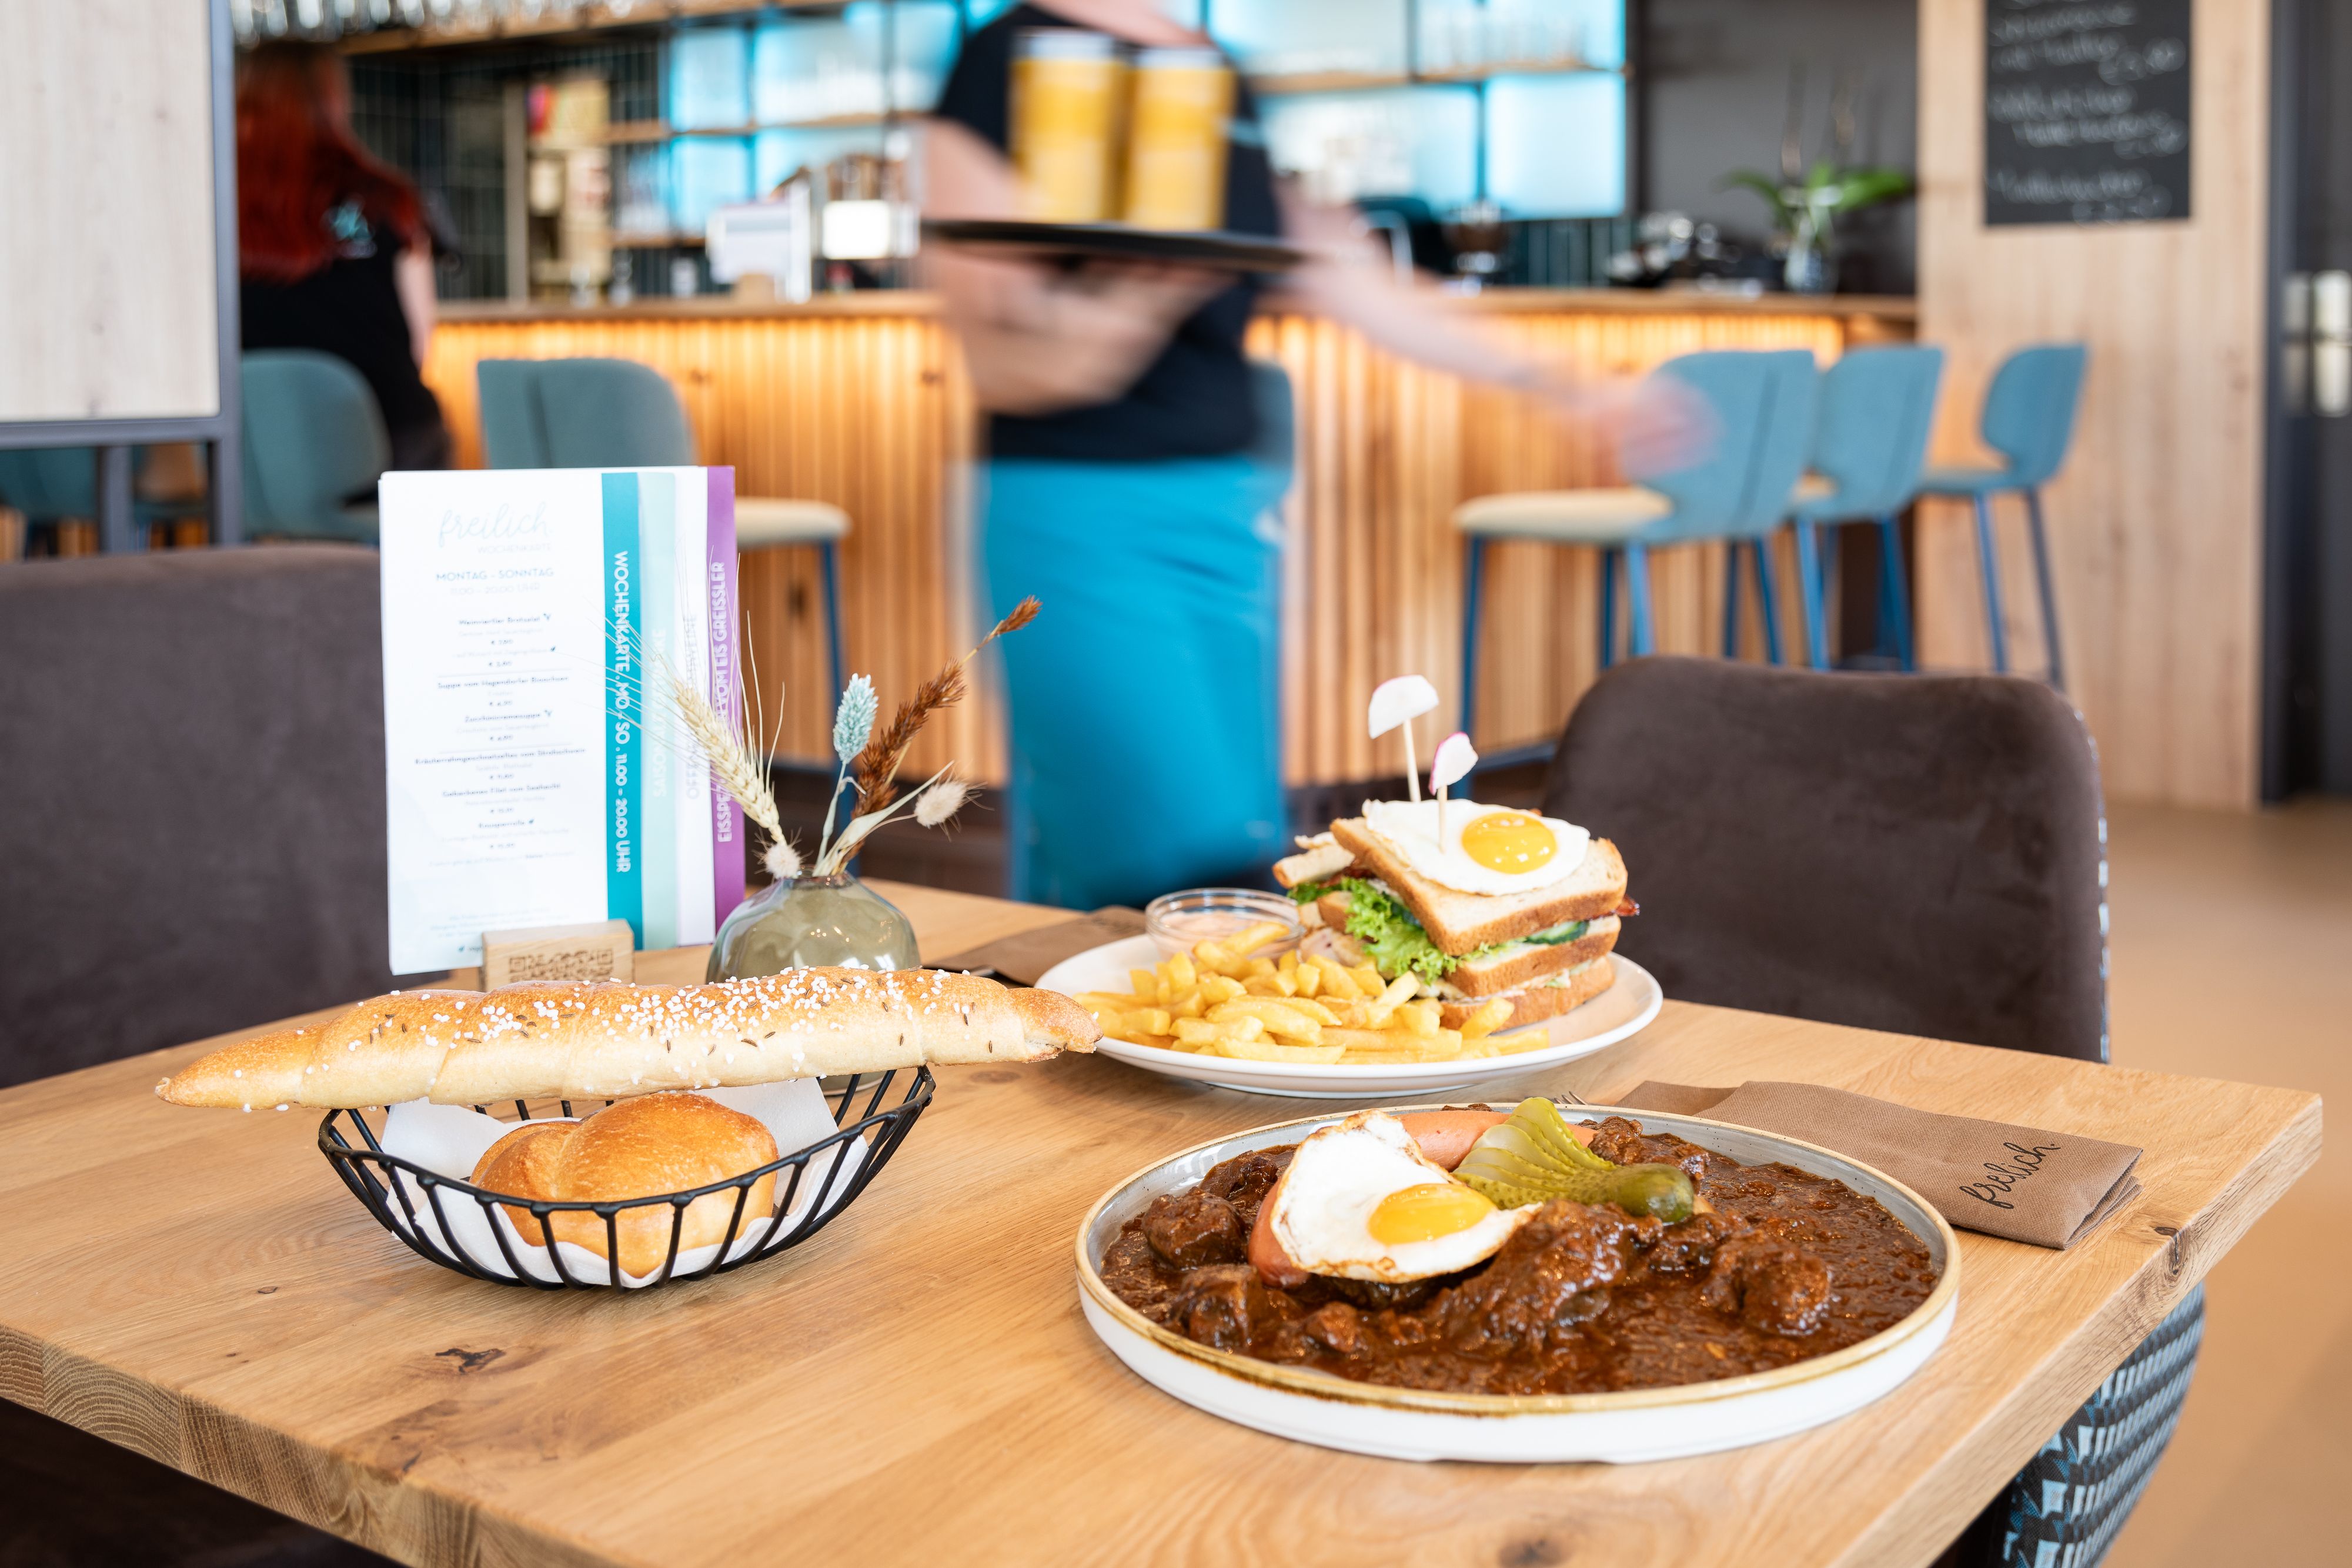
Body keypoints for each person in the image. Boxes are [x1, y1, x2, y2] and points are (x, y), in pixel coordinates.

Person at [926, 0, 1704, 911]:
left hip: (1226, 521)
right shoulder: (1004, 60)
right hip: (1082, 517)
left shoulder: (1210, 72)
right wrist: (1147, 283)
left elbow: (1355, 279)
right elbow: (1005, 356)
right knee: (1165, 858)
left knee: (1219, 846)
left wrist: (1575, 387)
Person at [235, 41, 452, 473]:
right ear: (334, 101)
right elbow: (419, 343)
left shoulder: (214, 205)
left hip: (257, 453)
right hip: (390, 437)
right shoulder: (388, 199)